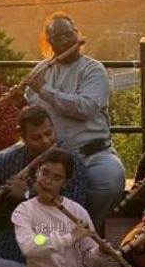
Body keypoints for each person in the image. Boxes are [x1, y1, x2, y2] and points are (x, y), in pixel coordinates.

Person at [1, 149, 122, 267]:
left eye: (56, 178)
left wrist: (101, 252)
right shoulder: (24, 211)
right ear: (37, 173)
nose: (48, 181)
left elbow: (89, 262)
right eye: (45, 173)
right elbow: (30, 246)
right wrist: (69, 238)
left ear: (64, 183)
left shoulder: (77, 211)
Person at [20, 13, 124, 227]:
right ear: (49, 43)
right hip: (49, 155)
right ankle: (45, 233)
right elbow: (32, 111)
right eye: (58, 38)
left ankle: (88, 231)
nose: (66, 41)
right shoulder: (41, 70)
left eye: (69, 34)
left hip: (93, 153)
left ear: (77, 34)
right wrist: (18, 104)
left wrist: (44, 90)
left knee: (110, 181)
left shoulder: (93, 69)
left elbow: (85, 107)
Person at [0, 105, 88, 267]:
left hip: (55, 232)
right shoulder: (7, 161)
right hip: (16, 232)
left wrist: (26, 195)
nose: (46, 141)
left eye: (49, 133)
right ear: (23, 138)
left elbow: (75, 208)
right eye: (36, 137)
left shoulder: (72, 163)